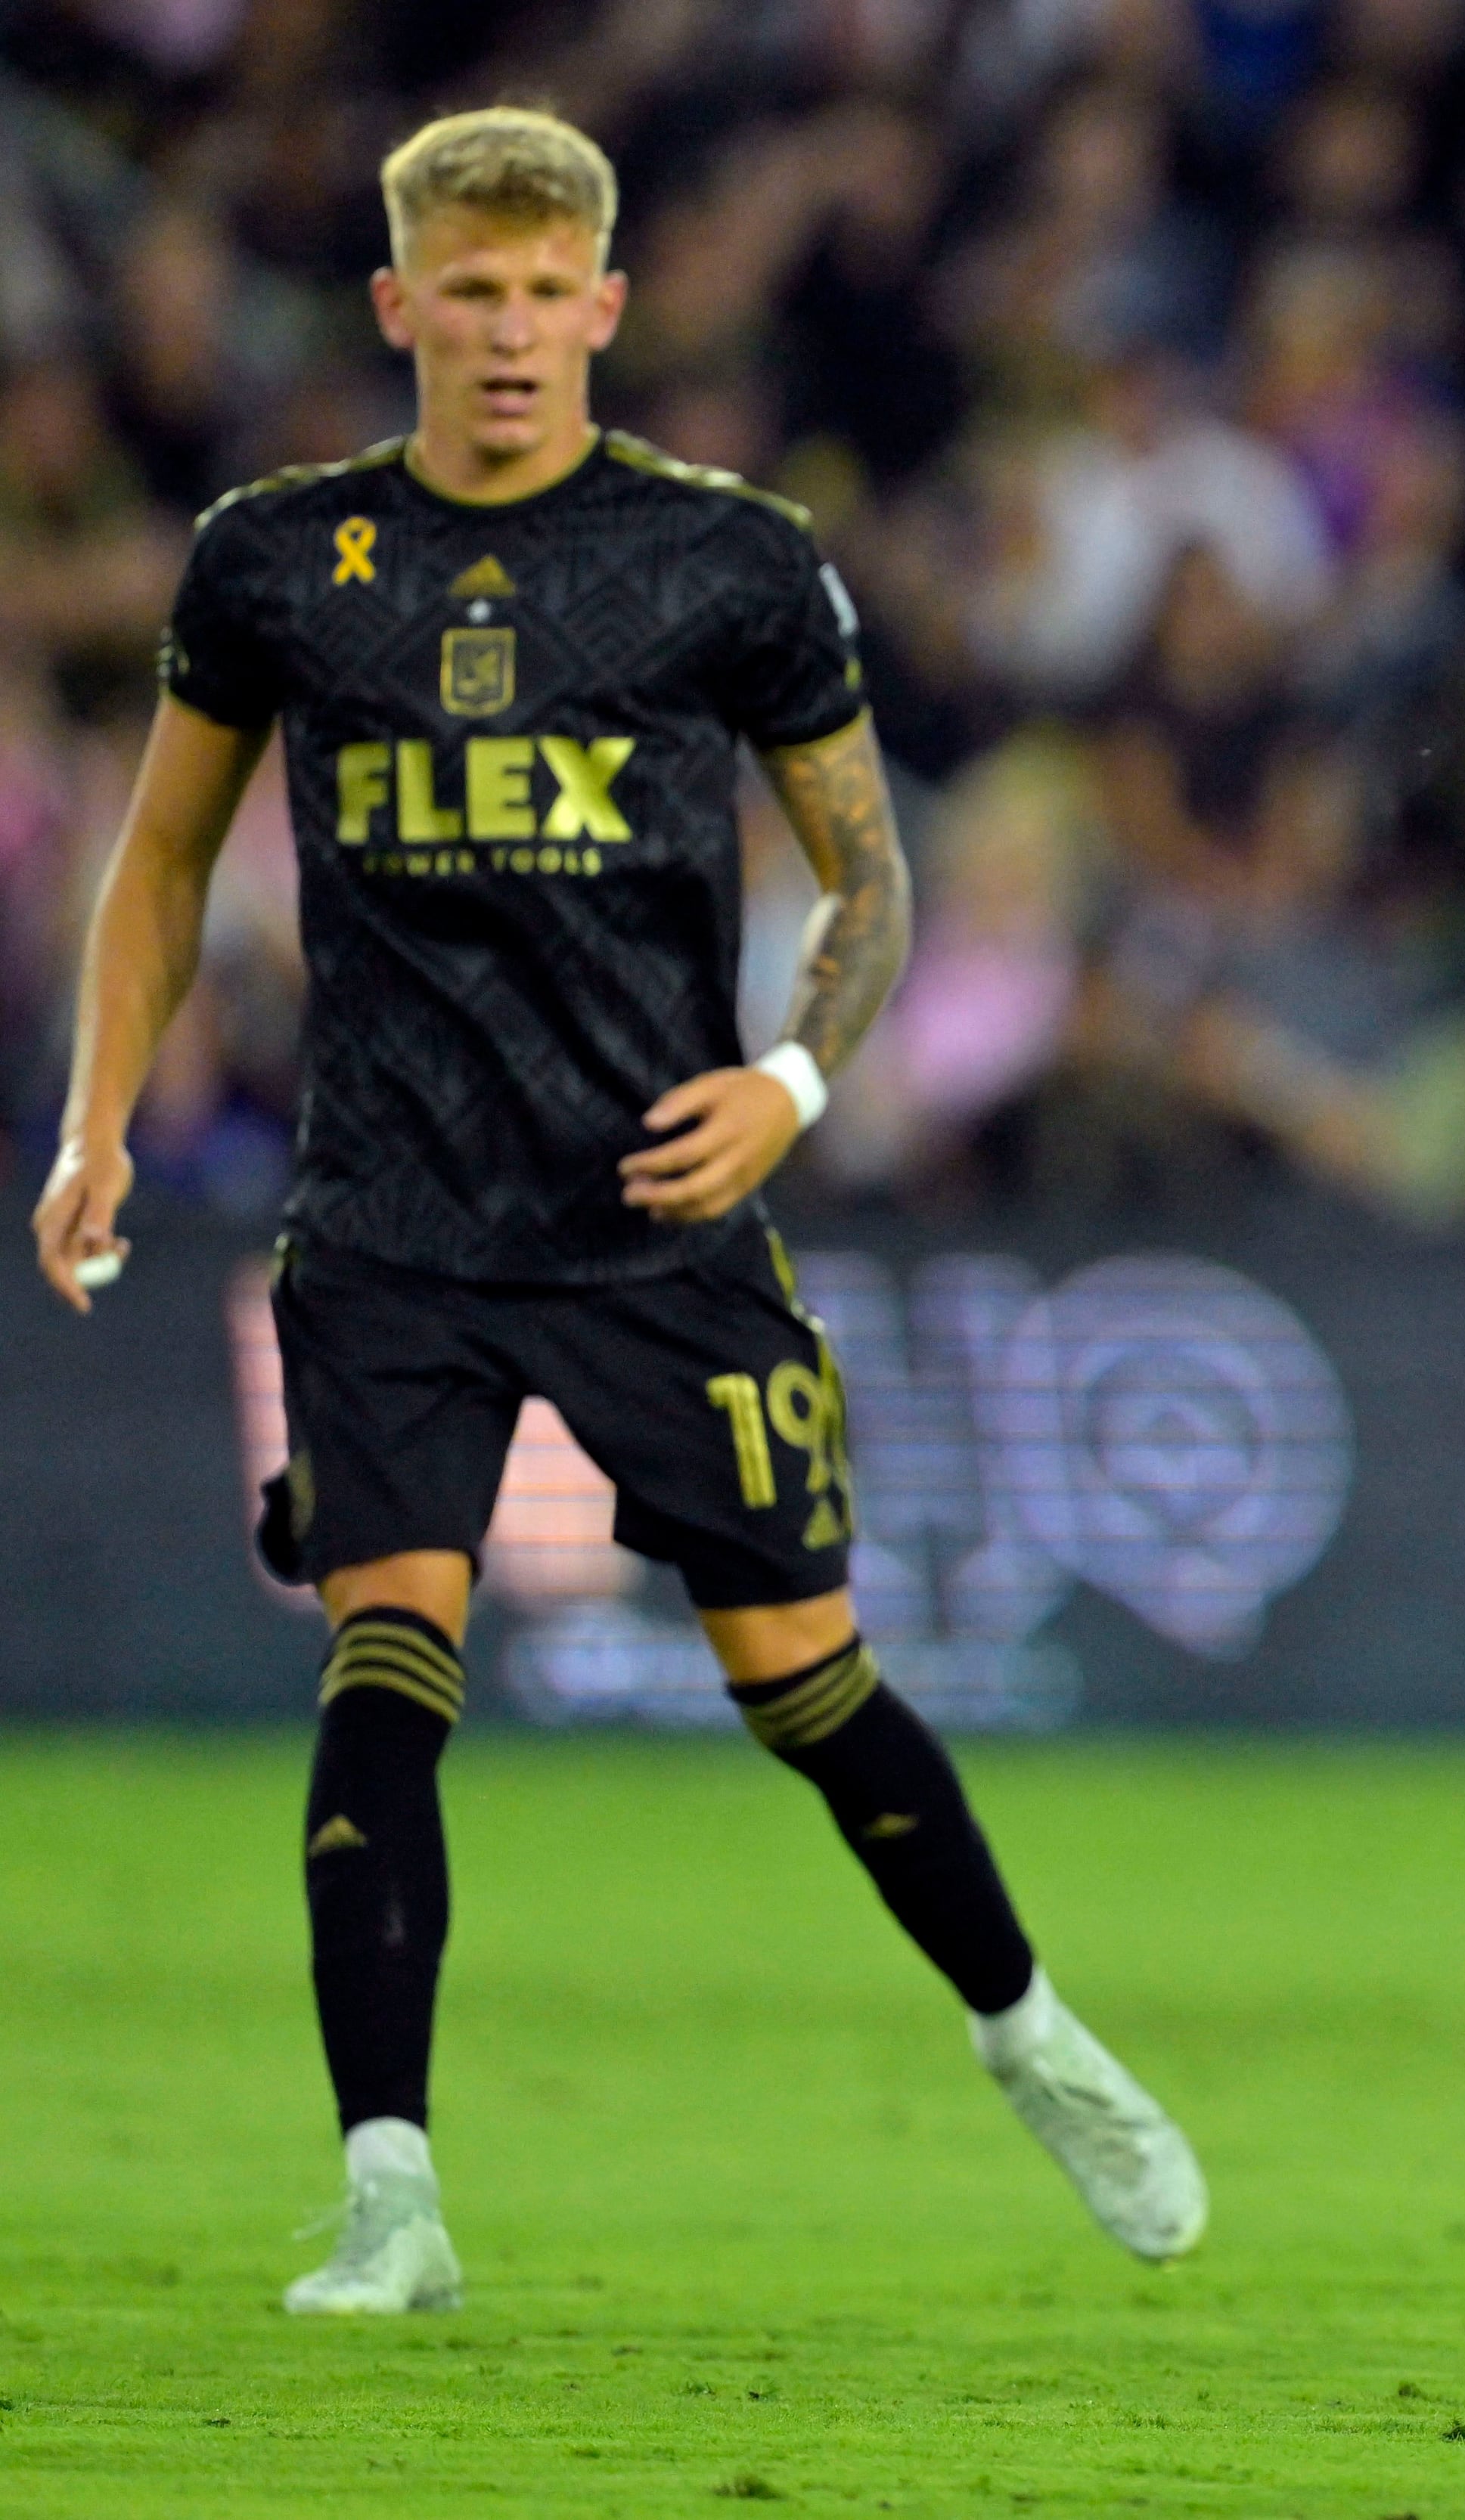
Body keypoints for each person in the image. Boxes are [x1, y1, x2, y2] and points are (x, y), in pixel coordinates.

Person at [25, 109, 1204, 2313]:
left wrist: (790, 1081)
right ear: (397, 304)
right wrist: (98, 1117)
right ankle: (390, 2191)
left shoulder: (724, 559)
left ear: (608, 306)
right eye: (466, 294)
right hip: (387, 1220)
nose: (505, 332)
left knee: (804, 1679)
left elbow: (868, 877)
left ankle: (1027, 2027)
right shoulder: (276, 561)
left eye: (542, 294)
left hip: (656, 1210)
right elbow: (163, 858)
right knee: (388, 1657)